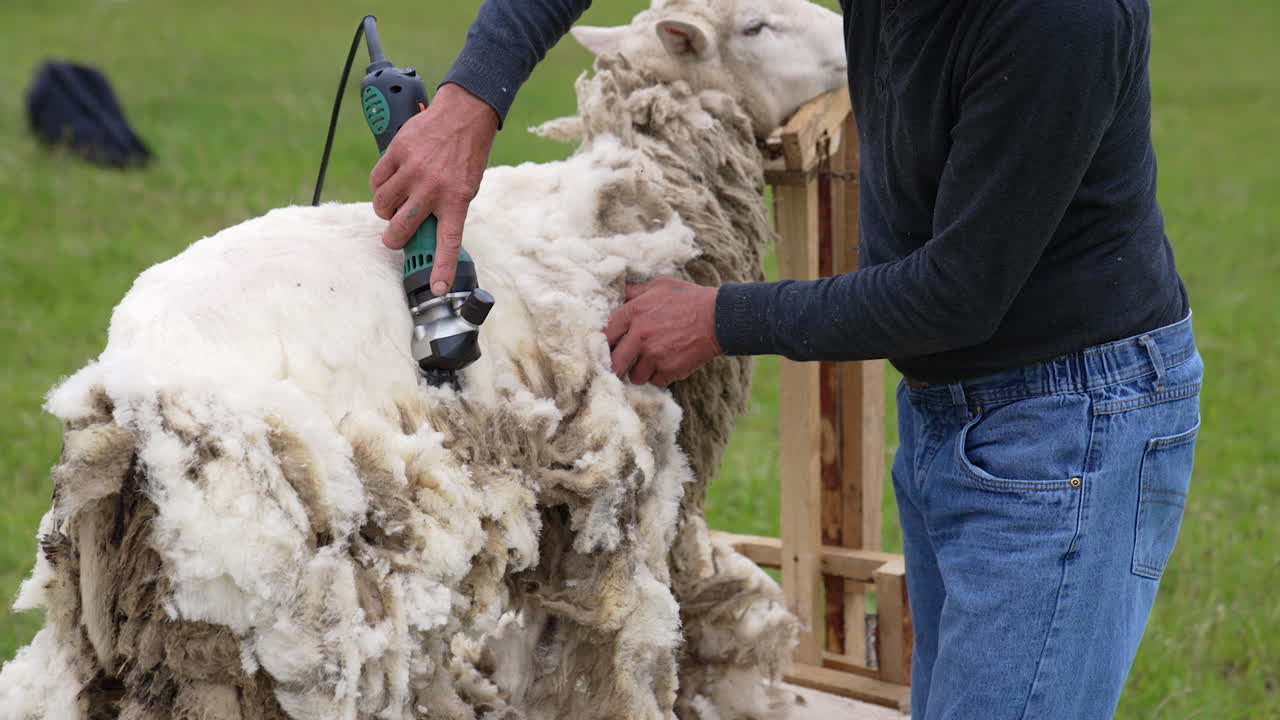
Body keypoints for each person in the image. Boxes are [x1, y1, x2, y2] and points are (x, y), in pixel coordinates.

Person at [369, 1, 1204, 717]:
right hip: (957, 411)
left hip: (1069, 423)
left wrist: (719, 316)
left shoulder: (1063, 20)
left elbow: (959, 292)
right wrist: (470, 97)